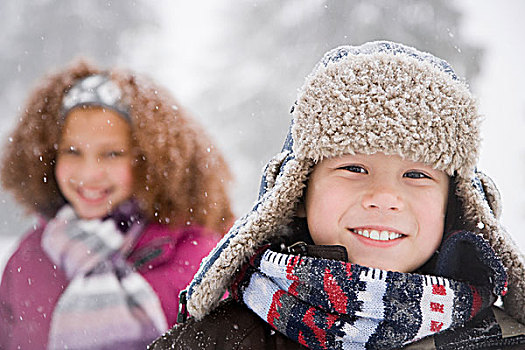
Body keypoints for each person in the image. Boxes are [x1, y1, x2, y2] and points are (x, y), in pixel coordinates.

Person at [150, 41, 525, 349]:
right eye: (354, 169)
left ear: (455, 204)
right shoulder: (216, 342)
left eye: (416, 174)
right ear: (297, 191)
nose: (383, 197)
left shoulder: (506, 340)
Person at [0, 60, 234, 349]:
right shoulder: (30, 256)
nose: (88, 173)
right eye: (72, 152)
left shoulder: (199, 258)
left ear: (149, 160)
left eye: (111, 154)